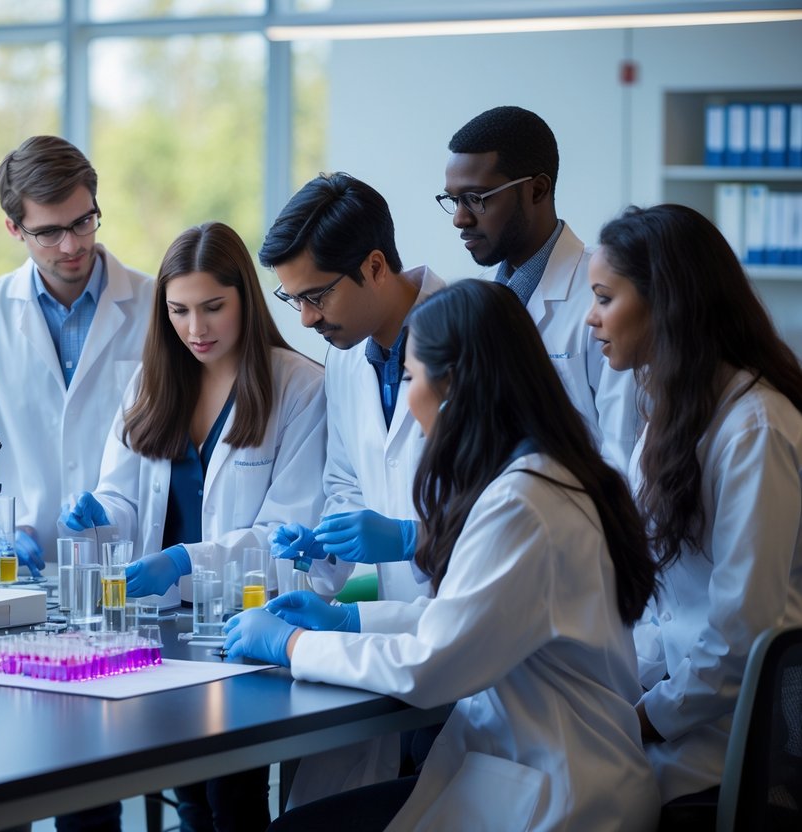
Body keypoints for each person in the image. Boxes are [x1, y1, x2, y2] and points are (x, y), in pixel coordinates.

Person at [225, 278, 662, 832]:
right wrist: (350, 618)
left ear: (454, 387)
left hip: (561, 791)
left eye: (410, 376)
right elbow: (475, 618)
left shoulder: (522, 502)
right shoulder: (544, 476)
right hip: (537, 767)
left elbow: (431, 668)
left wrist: (294, 645)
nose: (407, 397)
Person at [62, 221, 327, 832]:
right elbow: (123, 498)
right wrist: (99, 517)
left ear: (246, 300)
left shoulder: (299, 386)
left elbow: (287, 532)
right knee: (186, 799)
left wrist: (186, 560)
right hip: (162, 633)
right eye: (179, 311)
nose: (196, 329)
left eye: (213, 307)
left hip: (242, 629)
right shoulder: (151, 380)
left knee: (231, 802)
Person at [0, 135, 154, 832]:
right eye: (49, 231)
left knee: (90, 788)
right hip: (12, 577)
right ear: (13, 228)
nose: (72, 245)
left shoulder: (154, 307)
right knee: (3, 773)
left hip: (120, 576)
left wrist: (119, 506)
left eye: (85, 221)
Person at [586, 203, 802, 817]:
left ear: (666, 302)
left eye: (605, 297)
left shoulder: (755, 427)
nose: (591, 319)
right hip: (681, 699)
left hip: (729, 736)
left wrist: (645, 718)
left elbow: (740, 633)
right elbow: (668, 605)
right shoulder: (669, 407)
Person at [255, 172, 444, 803]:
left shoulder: (475, 336)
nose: (306, 318)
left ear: (373, 266)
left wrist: (413, 538)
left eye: (317, 296)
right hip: (393, 630)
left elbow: (507, 503)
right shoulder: (345, 353)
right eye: (292, 301)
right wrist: (330, 543)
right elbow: (346, 480)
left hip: (462, 638)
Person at [440, 105, 640, 472]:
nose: (460, 218)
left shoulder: (603, 298)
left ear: (537, 190)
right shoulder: (482, 301)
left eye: (477, 198)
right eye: (453, 200)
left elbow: (622, 456)